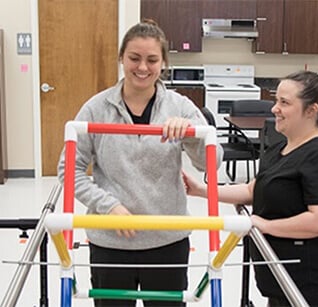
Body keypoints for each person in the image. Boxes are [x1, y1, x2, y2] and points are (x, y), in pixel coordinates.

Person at [57, 19, 223, 307]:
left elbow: (212, 163)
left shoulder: (180, 106)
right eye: (134, 58)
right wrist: (109, 206)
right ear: (121, 58)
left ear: (163, 64)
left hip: (166, 242)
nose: (142, 67)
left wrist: (192, 134)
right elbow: (68, 170)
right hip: (110, 243)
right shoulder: (96, 108)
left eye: (152, 60)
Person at [183, 71, 318, 307]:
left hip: (311, 280)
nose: (275, 109)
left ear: (311, 110)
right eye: (276, 100)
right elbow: (254, 190)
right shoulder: (280, 148)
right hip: (280, 275)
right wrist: (201, 189)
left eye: (285, 103)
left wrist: (263, 225)